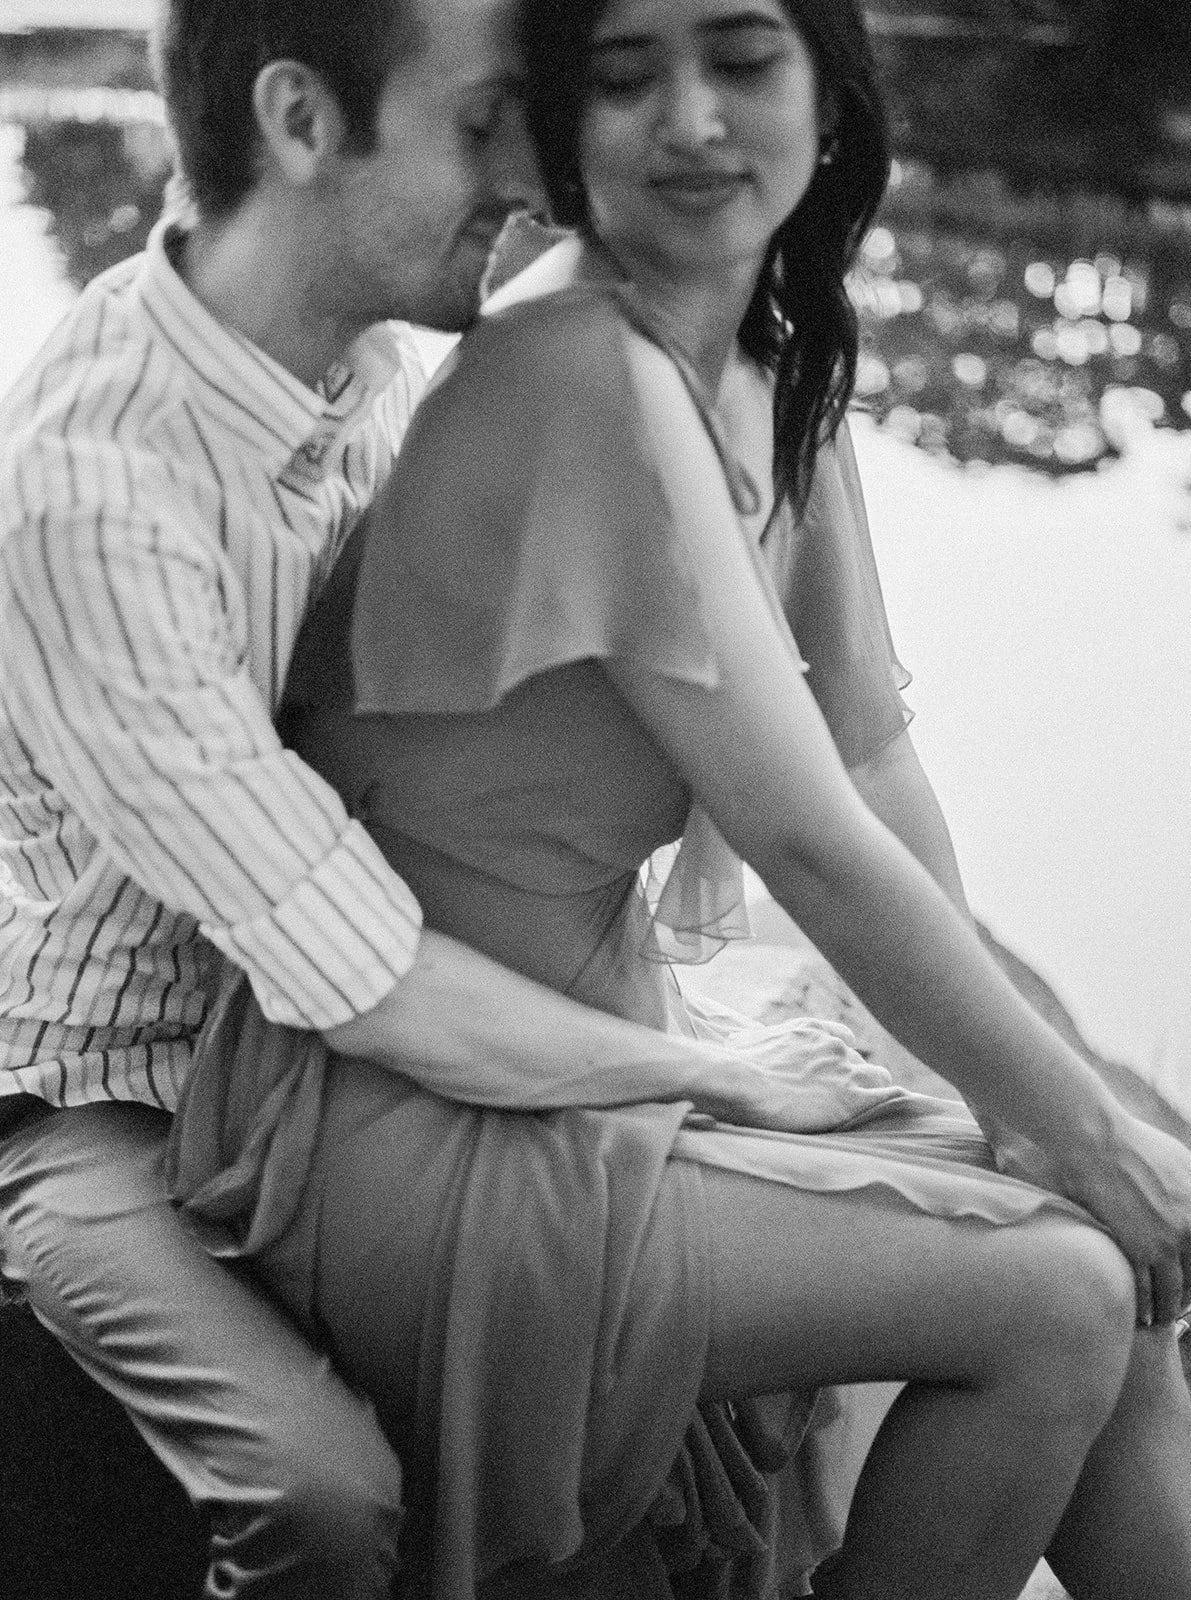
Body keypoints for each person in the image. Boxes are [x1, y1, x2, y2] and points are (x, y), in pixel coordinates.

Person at [167, 0, 1191, 1597]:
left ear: (828, 92)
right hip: (423, 1115)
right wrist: (1089, 1139)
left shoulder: (769, 352)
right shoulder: (576, 366)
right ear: (557, 133)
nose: (693, 124)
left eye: (741, 60)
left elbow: (866, 766)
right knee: (1058, 1289)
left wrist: (1050, 1107)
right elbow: (803, 838)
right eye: (625, 79)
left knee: (1109, 1277)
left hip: (598, 1065)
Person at [0, 1, 854, 1592]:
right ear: (303, 122)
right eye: (480, 125)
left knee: (820, 1314)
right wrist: (701, 1087)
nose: (533, 174)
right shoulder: (95, 500)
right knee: (315, 1494)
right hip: (106, 1097)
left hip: (339, 1078)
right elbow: (369, 976)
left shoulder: (380, 351)